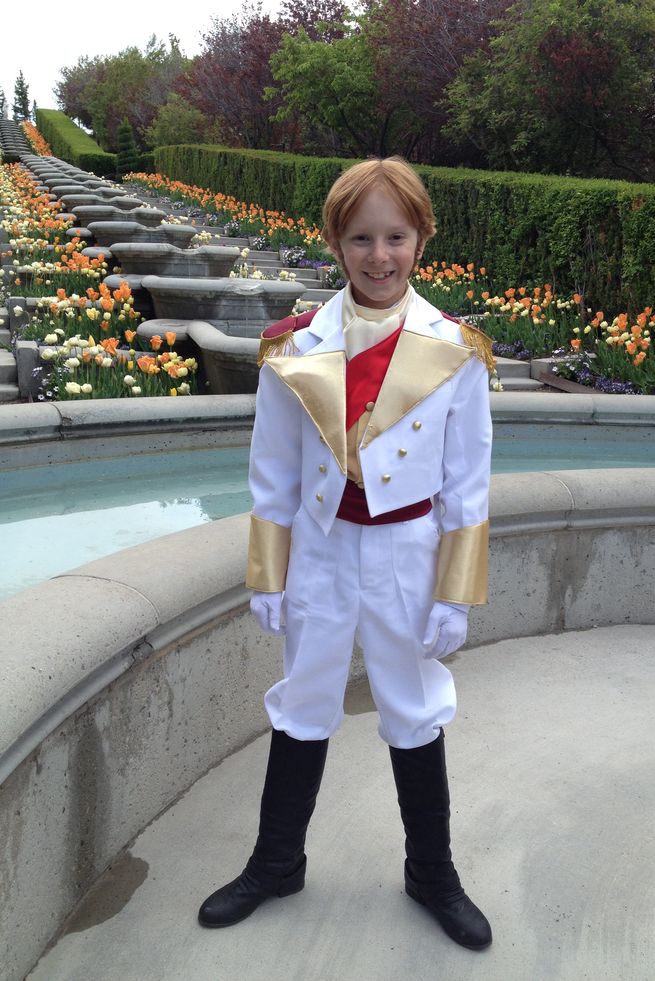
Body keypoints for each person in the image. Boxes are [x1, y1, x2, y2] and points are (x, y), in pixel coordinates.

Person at [198, 157, 494, 951]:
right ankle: (276, 861)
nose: (379, 255)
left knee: (412, 706)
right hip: (323, 550)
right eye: (360, 237)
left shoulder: (456, 350)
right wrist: (270, 569)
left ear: (421, 238)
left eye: (395, 236)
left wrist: (453, 593)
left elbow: (468, 483)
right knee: (304, 700)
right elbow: (273, 471)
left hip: (408, 549)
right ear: (335, 242)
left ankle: (431, 871)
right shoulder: (294, 346)